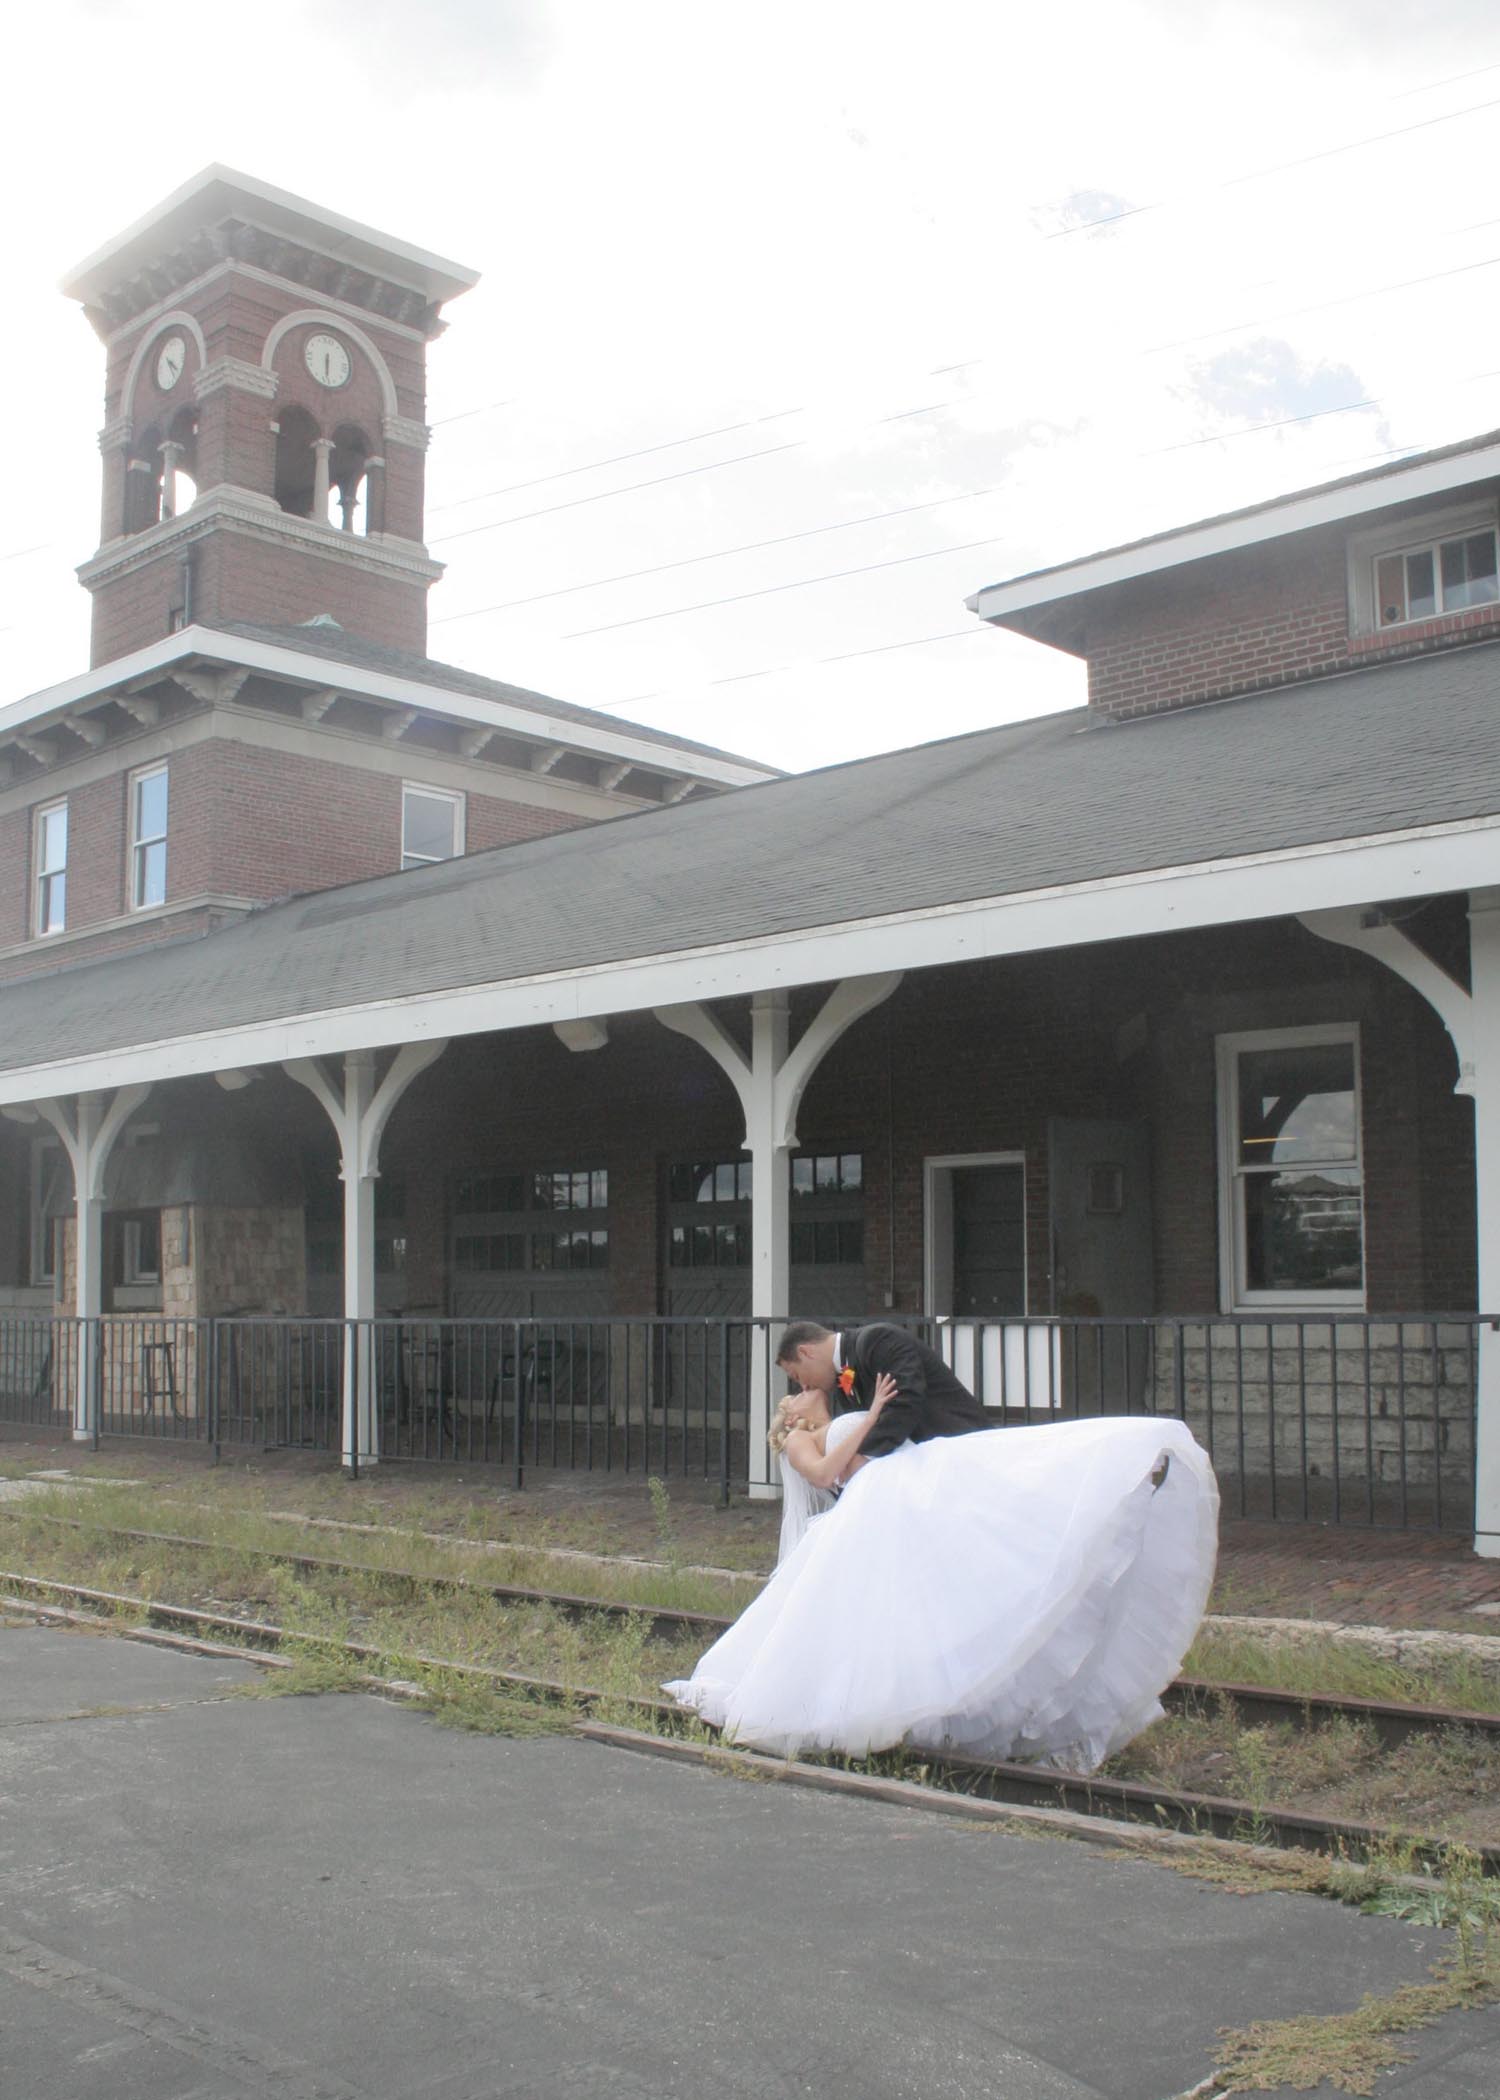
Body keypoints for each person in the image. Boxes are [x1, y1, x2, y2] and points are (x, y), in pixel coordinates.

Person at [664, 1380, 1219, 1774]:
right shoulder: (802, 1437)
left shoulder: (838, 1415)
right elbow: (826, 1473)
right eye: (797, 1390)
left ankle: (1115, 1489)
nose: (804, 1387)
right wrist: (875, 1412)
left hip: (913, 1489)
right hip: (877, 1506)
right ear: (792, 1415)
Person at [775, 1319, 989, 1471]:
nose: (803, 1385)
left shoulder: (878, 1340)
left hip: (959, 1446)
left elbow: (904, 1401)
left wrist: (864, 1458)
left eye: (796, 1375)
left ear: (806, 1352)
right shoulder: (841, 1383)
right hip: (919, 1467)